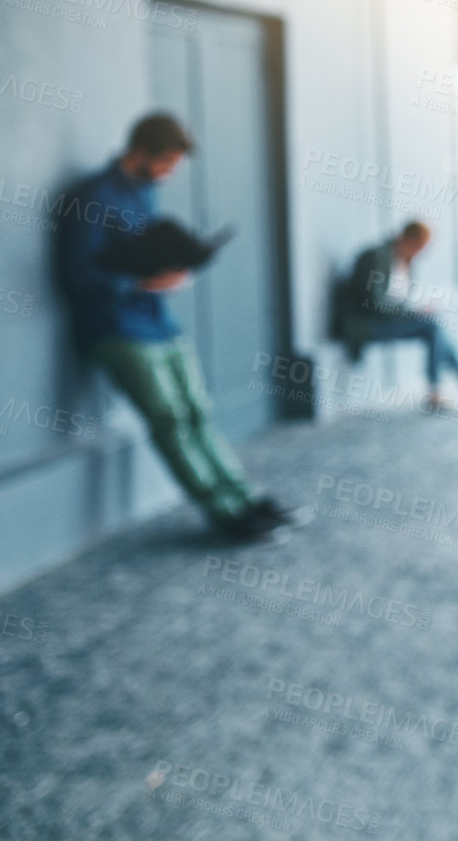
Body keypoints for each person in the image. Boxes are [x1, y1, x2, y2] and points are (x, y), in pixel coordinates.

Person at [55, 113, 300, 542]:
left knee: (197, 413)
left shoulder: (145, 193)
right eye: (167, 162)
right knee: (170, 420)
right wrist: (142, 282)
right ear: (139, 152)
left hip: (159, 323)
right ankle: (226, 513)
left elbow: (141, 251)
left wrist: (175, 269)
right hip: (118, 330)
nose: (170, 172)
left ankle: (247, 498)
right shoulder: (92, 196)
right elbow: (77, 274)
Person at [341, 220, 458, 412]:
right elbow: (373, 303)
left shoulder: (404, 260)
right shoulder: (376, 257)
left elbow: (396, 299)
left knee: (438, 331)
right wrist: (411, 313)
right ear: (407, 239)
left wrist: (415, 310)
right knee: (433, 327)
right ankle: (453, 392)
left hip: (387, 321)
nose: (420, 254)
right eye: (419, 247)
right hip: (366, 324)